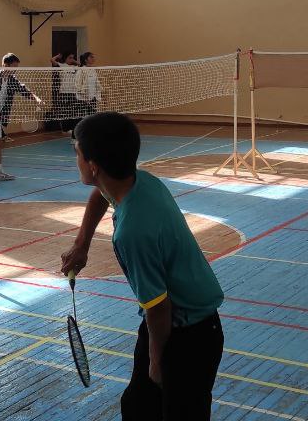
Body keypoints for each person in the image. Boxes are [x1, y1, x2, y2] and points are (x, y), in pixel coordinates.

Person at [60, 112, 224, 419]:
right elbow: (102, 193)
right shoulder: (141, 182)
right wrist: (81, 244)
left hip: (189, 334)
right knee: (138, 406)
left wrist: (156, 363)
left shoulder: (132, 234)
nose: (77, 160)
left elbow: (157, 306)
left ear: (93, 165)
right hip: (182, 325)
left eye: (78, 154)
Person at [0, 54, 42, 184]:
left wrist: (37, 99)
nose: (15, 69)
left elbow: (24, 90)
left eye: (17, 67)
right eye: (14, 66)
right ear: (5, 65)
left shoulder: (12, 79)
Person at [71, 52, 101, 137]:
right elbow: (77, 85)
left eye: (93, 57)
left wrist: (97, 96)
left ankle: (90, 135)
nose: (93, 59)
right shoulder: (81, 70)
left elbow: (96, 84)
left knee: (93, 118)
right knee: (80, 118)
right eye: (91, 57)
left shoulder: (93, 70)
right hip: (82, 99)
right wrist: (84, 97)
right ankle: (74, 137)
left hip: (92, 98)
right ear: (85, 59)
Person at [55, 52, 80, 134]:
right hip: (64, 92)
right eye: (70, 57)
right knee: (64, 110)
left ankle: (70, 128)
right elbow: (52, 60)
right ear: (65, 58)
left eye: (72, 58)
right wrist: (58, 56)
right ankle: (64, 129)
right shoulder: (61, 65)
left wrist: (74, 61)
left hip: (73, 92)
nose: (71, 59)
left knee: (72, 111)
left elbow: (80, 64)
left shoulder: (74, 67)